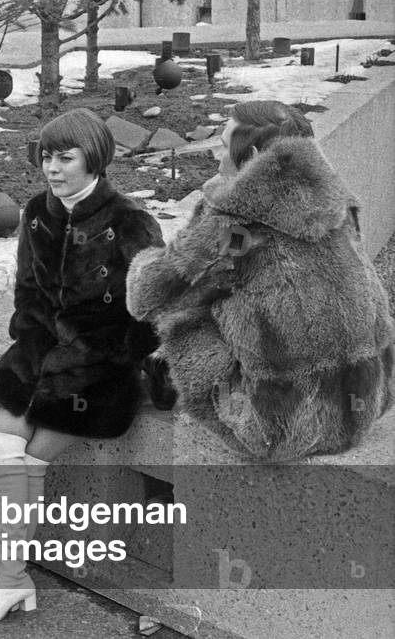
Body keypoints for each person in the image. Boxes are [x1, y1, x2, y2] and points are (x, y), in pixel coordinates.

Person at [0, 108, 163, 629]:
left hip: (101, 365)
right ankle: (13, 579)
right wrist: (28, 342)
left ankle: (8, 578)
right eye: (46, 155)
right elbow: (27, 290)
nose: (51, 167)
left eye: (65, 157)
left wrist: (124, 359)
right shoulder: (36, 212)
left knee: (25, 462)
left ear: (93, 158)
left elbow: (153, 307)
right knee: (3, 447)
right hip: (39, 354)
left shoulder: (131, 222)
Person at [126, 100, 394, 462]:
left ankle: (194, 392)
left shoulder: (232, 221)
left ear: (251, 155)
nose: (216, 157)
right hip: (360, 406)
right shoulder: (338, 205)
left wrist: (145, 256)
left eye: (222, 146)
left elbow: (144, 297)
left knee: (180, 313)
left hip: (276, 426)